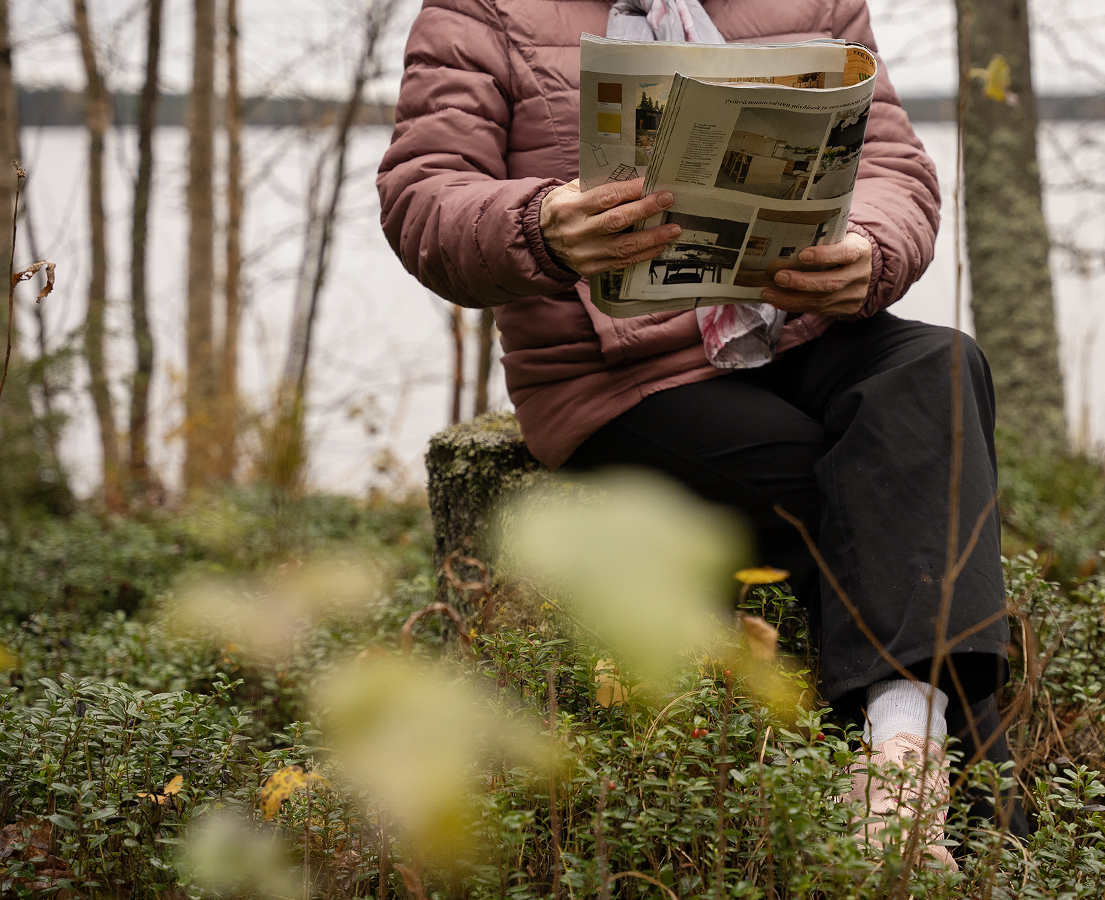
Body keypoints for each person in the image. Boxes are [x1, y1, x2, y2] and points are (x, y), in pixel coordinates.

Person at [377, 0, 1030, 861]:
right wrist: (541, 223)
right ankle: (971, 828)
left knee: (939, 366)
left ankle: (895, 783)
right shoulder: (480, 10)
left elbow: (892, 164)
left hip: (802, 326)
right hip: (623, 373)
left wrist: (870, 249)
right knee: (887, 496)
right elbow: (423, 197)